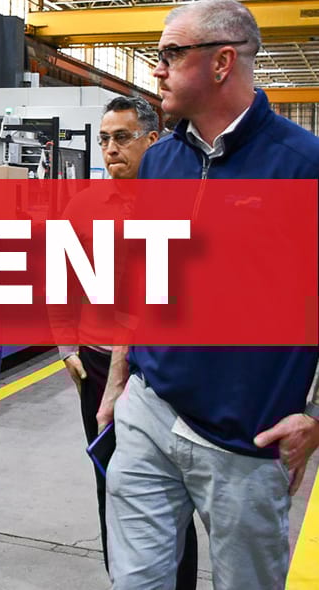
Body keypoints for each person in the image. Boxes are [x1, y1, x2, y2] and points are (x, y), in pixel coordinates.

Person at [96, 2, 319, 589]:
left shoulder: (302, 167)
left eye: (171, 54)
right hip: (149, 410)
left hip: (246, 438)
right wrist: (120, 382)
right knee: (135, 582)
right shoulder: (161, 162)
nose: (158, 69)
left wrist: (316, 419)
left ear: (222, 61)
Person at [47, 95, 200, 588]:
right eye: (104, 138)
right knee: (111, 478)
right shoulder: (85, 204)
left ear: (152, 140)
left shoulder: (179, 201)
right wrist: (66, 348)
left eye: (122, 137)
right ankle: (124, 576)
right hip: (94, 364)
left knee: (171, 489)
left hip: (160, 370)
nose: (110, 148)